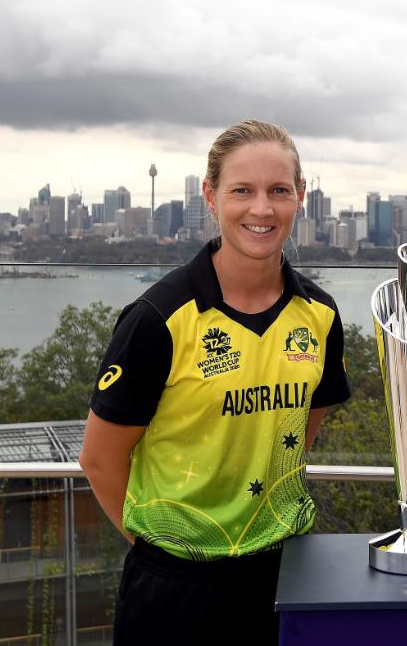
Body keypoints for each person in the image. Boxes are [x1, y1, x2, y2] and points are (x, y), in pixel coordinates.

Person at [79, 119, 350, 645]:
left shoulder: (319, 313)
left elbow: (297, 435)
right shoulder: (159, 318)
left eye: (278, 191)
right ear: (211, 196)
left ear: (301, 197)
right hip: (174, 587)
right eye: (241, 191)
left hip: (283, 571)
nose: (261, 209)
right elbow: (99, 458)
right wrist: (158, 548)